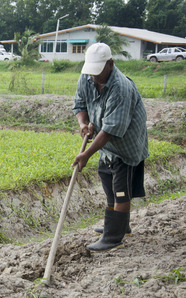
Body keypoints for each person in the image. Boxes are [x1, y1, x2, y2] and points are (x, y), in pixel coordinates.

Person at [71, 43, 149, 252]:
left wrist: (86, 154)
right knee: (107, 180)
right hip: (105, 144)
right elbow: (79, 105)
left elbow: (111, 129)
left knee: (121, 189)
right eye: (91, 72)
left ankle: (114, 237)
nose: (94, 77)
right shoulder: (88, 76)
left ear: (110, 64)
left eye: (98, 72)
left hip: (126, 144)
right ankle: (118, 224)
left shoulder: (121, 88)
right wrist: (83, 124)